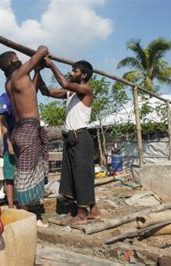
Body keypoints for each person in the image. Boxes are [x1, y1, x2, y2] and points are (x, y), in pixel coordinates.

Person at [40, 58, 101, 225]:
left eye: (75, 71)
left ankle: (81, 215)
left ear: (84, 75)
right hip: (71, 138)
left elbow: (65, 84)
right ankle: (93, 212)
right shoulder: (72, 93)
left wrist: (51, 64)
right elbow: (46, 92)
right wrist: (37, 71)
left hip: (81, 138)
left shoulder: (86, 90)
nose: (72, 73)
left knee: (81, 176)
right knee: (76, 176)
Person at [0, 46, 49, 211]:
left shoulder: (9, 83)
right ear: (13, 60)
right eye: (17, 57)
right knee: (25, 175)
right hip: (28, 128)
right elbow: (42, 49)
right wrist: (40, 55)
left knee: (22, 171)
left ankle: (23, 209)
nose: (20, 59)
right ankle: (24, 212)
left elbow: (31, 91)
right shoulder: (19, 74)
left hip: (19, 131)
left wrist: (38, 72)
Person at [0, 92, 16, 208]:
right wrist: (9, 143)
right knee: (10, 176)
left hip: (24, 143)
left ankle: (23, 205)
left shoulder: (22, 94)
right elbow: (2, 120)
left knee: (23, 175)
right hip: (11, 143)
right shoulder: (5, 97)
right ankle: (11, 206)